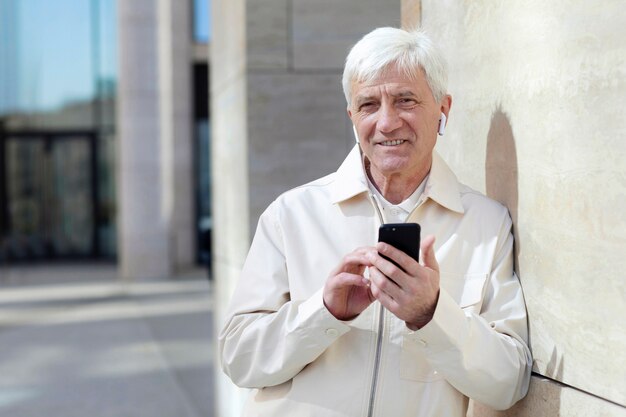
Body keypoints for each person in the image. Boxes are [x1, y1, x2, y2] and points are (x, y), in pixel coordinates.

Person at [219, 27, 532, 416]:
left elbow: (509, 382)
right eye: (368, 105)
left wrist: (432, 314)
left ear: (443, 109)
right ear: (352, 116)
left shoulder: (487, 224)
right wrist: (324, 312)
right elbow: (238, 359)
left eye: (405, 100)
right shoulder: (291, 215)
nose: (387, 122)